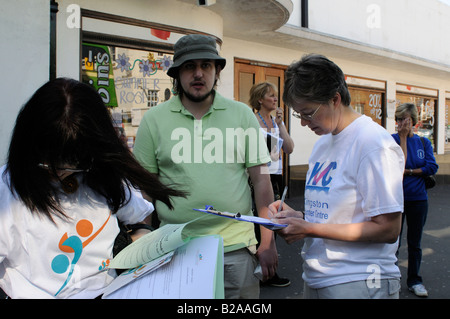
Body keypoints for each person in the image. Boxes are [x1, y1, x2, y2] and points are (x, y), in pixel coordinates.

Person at [0, 78, 183, 299]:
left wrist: (145, 244)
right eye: (48, 161)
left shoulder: (102, 175)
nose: (59, 172)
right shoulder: (7, 190)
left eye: (72, 162)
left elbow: (137, 222)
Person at [133, 34, 278, 298]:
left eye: (206, 65)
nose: (198, 74)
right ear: (177, 74)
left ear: (217, 70)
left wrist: (267, 241)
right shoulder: (154, 120)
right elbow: (145, 190)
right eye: (189, 66)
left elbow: (262, 180)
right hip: (175, 249)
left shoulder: (242, 115)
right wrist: (143, 241)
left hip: (234, 248)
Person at [269, 54, 405, 299]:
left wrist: (309, 228)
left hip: (360, 280)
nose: (303, 123)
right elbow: (336, 215)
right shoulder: (323, 144)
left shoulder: (373, 143)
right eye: (299, 114)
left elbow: (388, 229)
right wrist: (299, 218)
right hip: (319, 276)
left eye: (308, 113)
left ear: (335, 99)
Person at [248, 82, 294, 287]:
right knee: (262, 224)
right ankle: (263, 272)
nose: (275, 100)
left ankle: (268, 272)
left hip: (275, 175)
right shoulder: (253, 121)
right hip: (259, 176)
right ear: (260, 99)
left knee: (273, 223)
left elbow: (290, 148)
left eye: (276, 96)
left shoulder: (275, 123)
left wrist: (281, 124)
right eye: (271, 96)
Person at [392, 102, 438, 297]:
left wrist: (410, 171)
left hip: (418, 199)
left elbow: (431, 167)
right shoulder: (391, 140)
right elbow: (396, 166)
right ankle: (391, 279)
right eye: (398, 119)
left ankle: (414, 280)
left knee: (415, 242)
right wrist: (402, 138)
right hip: (395, 199)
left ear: (414, 122)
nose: (401, 123)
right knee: (393, 242)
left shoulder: (423, 143)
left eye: (405, 120)